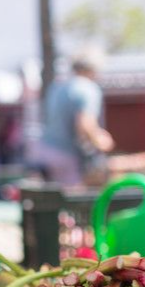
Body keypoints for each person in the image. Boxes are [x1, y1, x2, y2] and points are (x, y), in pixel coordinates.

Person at [34, 48, 114, 186]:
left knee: (52, 199)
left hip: (43, 150)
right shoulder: (88, 89)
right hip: (66, 156)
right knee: (73, 199)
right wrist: (101, 140)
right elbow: (85, 123)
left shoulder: (57, 87)